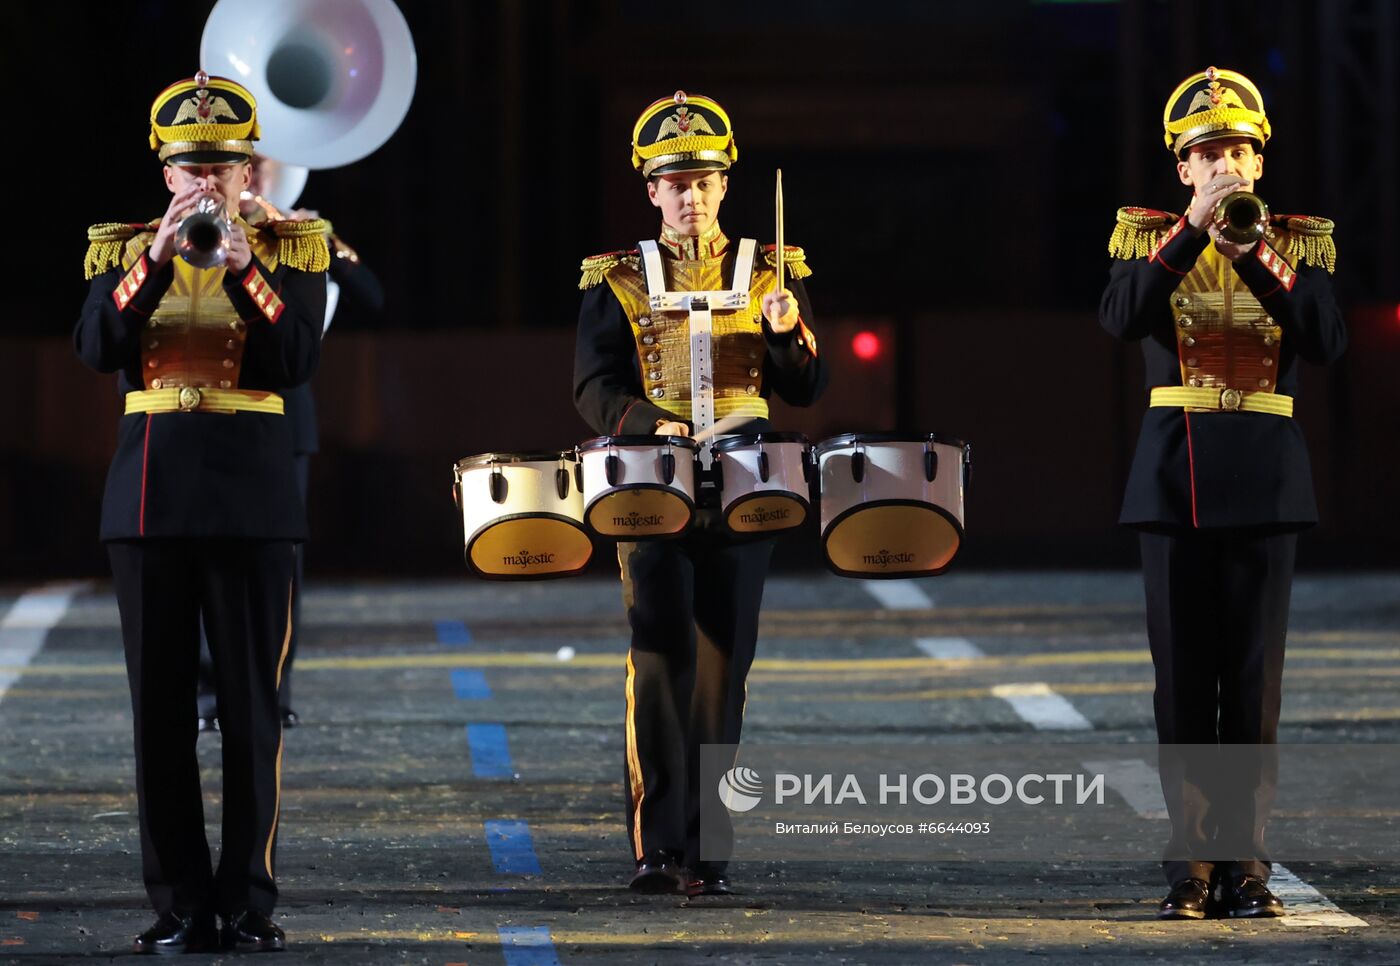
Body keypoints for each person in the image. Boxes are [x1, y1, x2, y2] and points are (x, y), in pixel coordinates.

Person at [75, 70, 329, 953]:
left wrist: (246, 263)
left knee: (252, 712)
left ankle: (249, 902)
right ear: (167, 173)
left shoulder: (294, 250)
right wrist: (156, 258)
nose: (207, 181)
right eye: (192, 166)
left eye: (222, 166)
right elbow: (96, 345)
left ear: (247, 172)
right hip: (150, 496)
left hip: (253, 497)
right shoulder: (120, 252)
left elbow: (295, 361)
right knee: (160, 712)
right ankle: (179, 901)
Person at [1099, 66, 1346, 920]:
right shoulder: (1148, 241)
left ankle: (1245, 865)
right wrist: (1190, 240)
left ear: (1259, 161)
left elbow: (1327, 338)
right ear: (1184, 170)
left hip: (1267, 480)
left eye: (1239, 149)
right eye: (1209, 153)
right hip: (1175, 479)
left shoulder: (1298, 245)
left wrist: (1257, 253)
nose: (1226, 164)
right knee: (1182, 687)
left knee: (1252, 687)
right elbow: (1120, 316)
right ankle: (1190, 870)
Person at [574, 91, 828, 897]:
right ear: (650, 190)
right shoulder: (614, 278)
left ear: (725, 185)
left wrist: (788, 331)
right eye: (676, 181)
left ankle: (708, 849)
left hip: (746, 484)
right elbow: (593, 387)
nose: (692, 194)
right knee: (658, 661)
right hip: (653, 483)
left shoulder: (773, 271)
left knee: (726, 665)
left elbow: (806, 386)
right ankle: (657, 847)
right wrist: (653, 425)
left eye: (705, 180)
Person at [195, 154, 385, 732]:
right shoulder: (194, 231)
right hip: (207, 412)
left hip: (283, 418)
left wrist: (322, 238)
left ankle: (273, 691)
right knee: (202, 556)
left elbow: (372, 297)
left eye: (259, 163)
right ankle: (209, 697)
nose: (254, 171)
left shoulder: (295, 238)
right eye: (244, 161)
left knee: (280, 566)